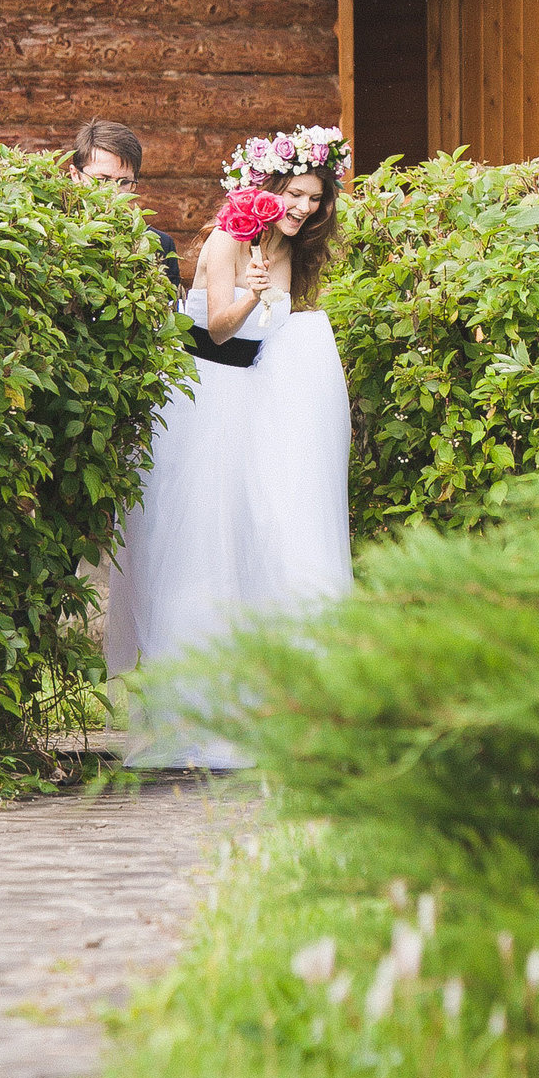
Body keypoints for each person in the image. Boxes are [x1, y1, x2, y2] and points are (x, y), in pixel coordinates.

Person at [103, 125, 354, 770]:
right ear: (268, 188)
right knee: (206, 546)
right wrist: (251, 290)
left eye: (314, 198)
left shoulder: (290, 246)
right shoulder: (226, 238)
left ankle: (281, 708)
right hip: (213, 402)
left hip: (260, 398)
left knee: (273, 539)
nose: (302, 207)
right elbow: (217, 329)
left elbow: (282, 332)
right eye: (294, 193)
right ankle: (197, 710)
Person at [69, 118, 180, 287]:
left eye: (124, 182)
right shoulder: (54, 236)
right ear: (75, 175)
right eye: (102, 180)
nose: (114, 191)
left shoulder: (161, 245)